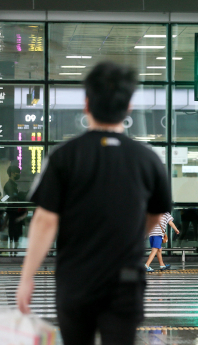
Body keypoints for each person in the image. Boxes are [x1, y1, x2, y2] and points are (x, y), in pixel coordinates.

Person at [16, 62, 172, 345]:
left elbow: (45, 220)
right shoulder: (147, 159)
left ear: (86, 104)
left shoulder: (64, 156)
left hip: (76, 279)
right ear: (128, 108)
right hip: (125, 280)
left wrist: (27, 277)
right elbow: (156, 213)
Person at [4, 165, 27, 252]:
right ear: (12, 173)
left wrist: (2, 199)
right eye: (17, 172)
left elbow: (6, 197)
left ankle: (14, 251)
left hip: (13, 213)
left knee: (14, 234)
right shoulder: (9, 185)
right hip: (14, 213)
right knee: (14, 234)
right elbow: (11, 197)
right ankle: (13, 252)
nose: (18, 174)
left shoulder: (12, 185)